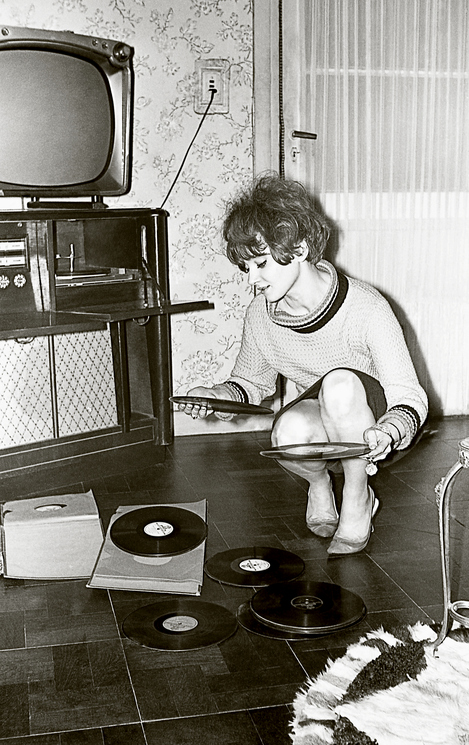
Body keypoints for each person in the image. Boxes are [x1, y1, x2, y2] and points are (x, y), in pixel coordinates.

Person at [178, 174, 428, 555]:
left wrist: (392, 428)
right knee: (289, 430)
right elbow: (250, 383)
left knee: (341, 386)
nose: (252, 280)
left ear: (299, 246)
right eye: (246, 268)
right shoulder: (261, 316)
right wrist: (214, 395)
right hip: (321, 414)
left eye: (260, 264)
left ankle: (358, 498)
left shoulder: (367, 308)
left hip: (372, 421)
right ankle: (321, 485)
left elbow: (408, 394)